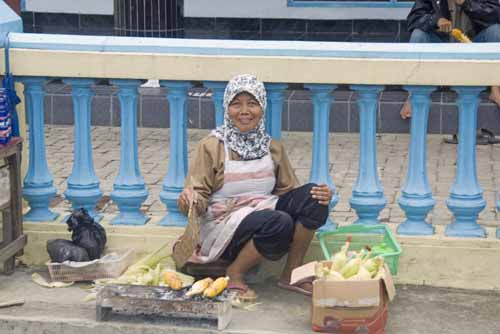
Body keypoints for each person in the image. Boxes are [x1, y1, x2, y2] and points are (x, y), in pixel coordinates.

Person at [176, 74, 332, 298]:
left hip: (266, 214)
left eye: (252, 103)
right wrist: (190, 201)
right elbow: (198, 197)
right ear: (226, 108)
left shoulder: (272, 147)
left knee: (312, 197)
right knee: (279, 221)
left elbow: (289, 194)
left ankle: (292, 272)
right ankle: (235, 273)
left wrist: (320, 195)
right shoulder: (212, 146)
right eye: (236, 104)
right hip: (226, 228)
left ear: (262, 107)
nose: (244, 111)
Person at [400, 0, 500, 119]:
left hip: (474, 46)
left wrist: (466, 3)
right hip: (443, 47)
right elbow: (413, 19)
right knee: (418, 35)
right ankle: (412, 96)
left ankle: (496, 88)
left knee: (495, 31)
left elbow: (496, 14)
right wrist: (435, 20)